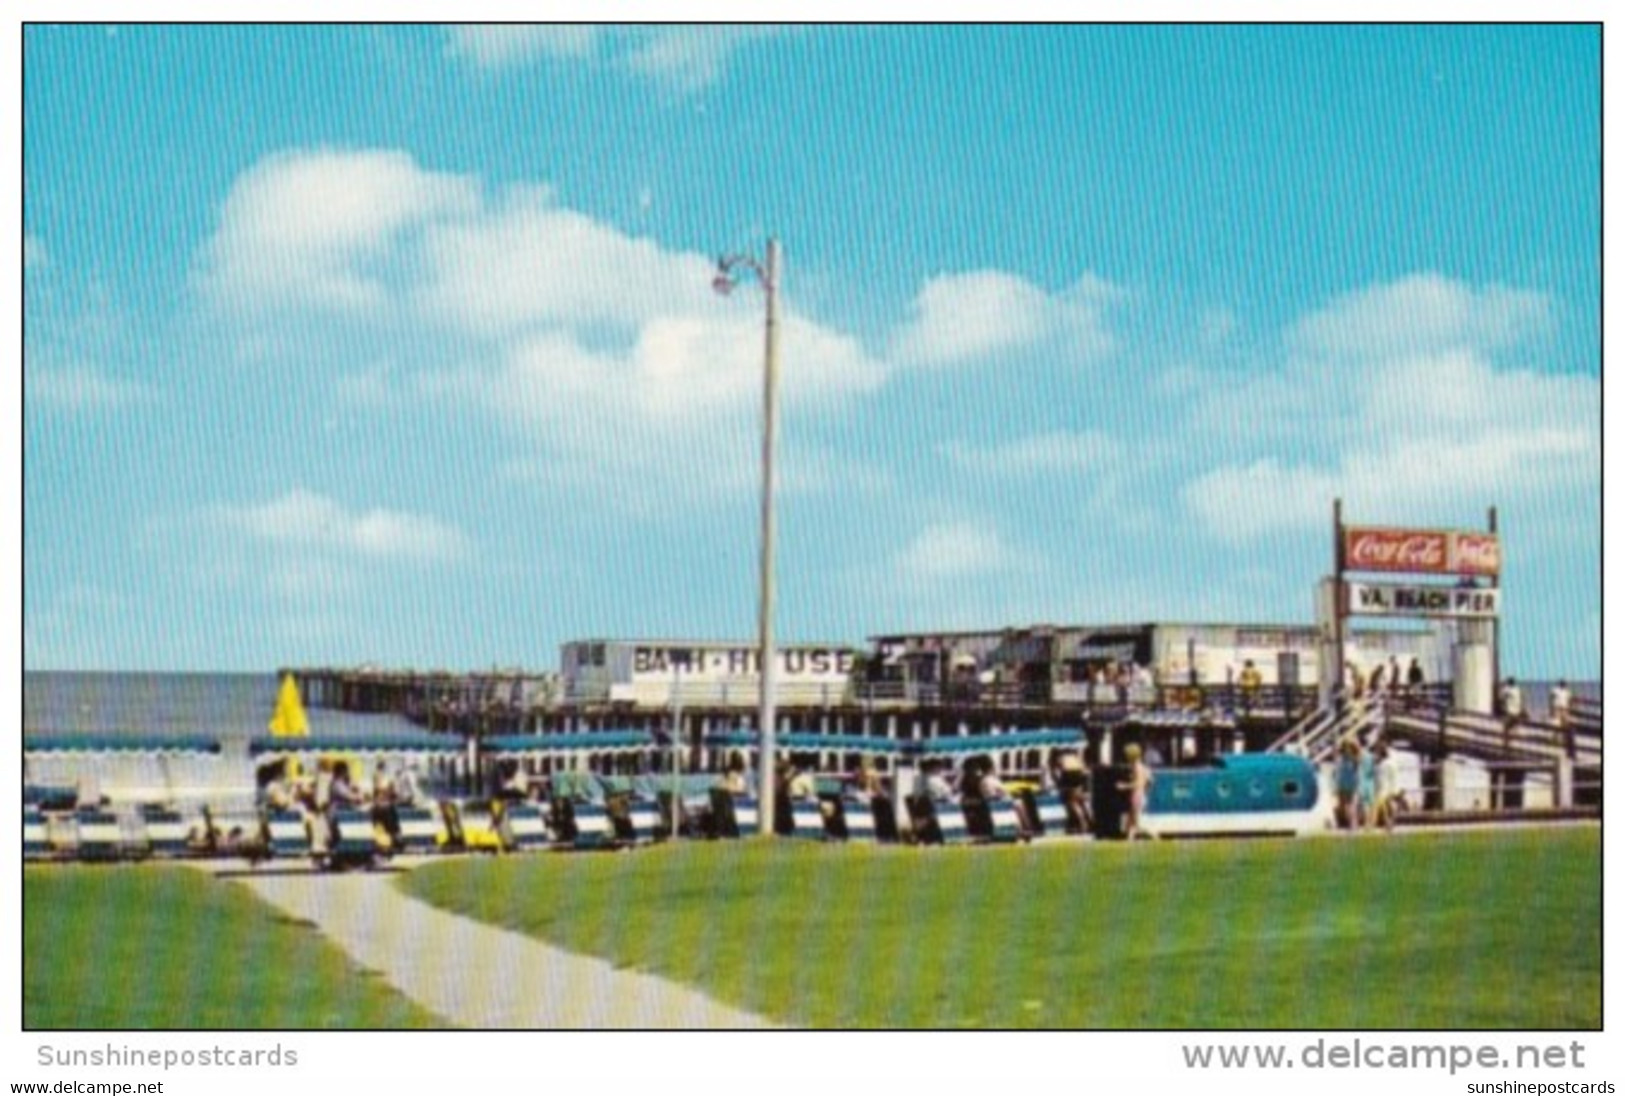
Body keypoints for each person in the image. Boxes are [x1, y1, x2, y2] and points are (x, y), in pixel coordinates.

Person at [979, 765, 1033, 840]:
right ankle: (1026, 828)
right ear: (990, 770)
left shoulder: (987, 780)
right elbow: (993, 794)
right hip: (999, 801)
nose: (995, 771)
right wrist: (1003, 796)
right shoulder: (989, 780)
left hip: (999, 800)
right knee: (1019, 804)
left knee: (1019, 803)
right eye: (994, 769)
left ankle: (1026, 828)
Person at [1119, 743, 1154, 840]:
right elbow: (1151, 780)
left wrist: (1124, 786)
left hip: (1136, 796)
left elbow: (1138, 783)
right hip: (1140, 795)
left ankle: (1154, 836)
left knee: (1135, 824)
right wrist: (1146, 791)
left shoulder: (1136, 767)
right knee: (1130, 823)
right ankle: (1128, 842)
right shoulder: (1143, 766)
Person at [1334, 739, 1361, 831]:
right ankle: (1351, 823)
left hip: (1351, 784)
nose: (1347, 750)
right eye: (1346, 748)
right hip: (1344, 784)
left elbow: (1357, 771)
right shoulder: (1342, 759)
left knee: (1350, 805)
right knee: (1346, 806)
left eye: (1348, 748)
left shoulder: (1354, 759)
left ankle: (1353, 824)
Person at [1372, 742, 1400, 832]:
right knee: (1388, 806)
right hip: (1391, 787)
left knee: (1383, 806)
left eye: (1376, 752)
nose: (1375, 754)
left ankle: (1386, 823)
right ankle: (1389, 823)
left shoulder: (1383, 764)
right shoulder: (1391, 763)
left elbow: (1381, 778)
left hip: (1384, 787)